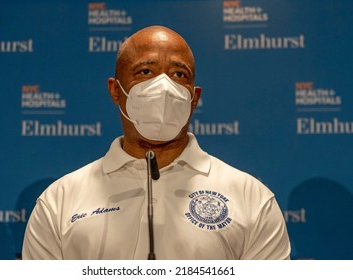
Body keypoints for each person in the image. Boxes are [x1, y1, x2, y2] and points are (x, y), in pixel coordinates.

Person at [22, 25, 290, 260]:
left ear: (194, 98)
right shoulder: (59, 202)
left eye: (178, 75)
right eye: (146, 71)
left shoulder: (252, 199)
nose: (163, 86)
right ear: (116, 90)